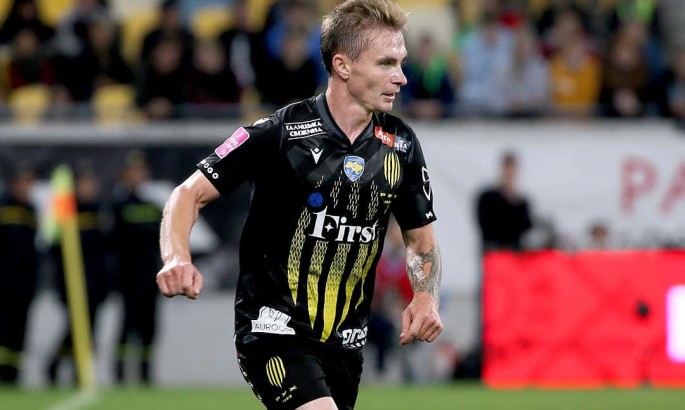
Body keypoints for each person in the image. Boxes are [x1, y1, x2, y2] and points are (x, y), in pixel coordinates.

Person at [156, 1, 443, 409]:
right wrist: (176, 258)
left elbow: (420, 240)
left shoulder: (402, 145)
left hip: (345, 342)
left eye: (401, 63)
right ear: (343, 66)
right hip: (273, 330)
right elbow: (187, 193)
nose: (401, 77)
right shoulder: (280, 134)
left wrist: (425, 296)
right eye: (385, 63)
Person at [46, 165, 113, 385]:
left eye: (91, 182)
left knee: (90, 328)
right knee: (75, 327)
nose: (88, 187)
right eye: (84, 183)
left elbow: (105, 249)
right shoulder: (66, 210)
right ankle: (55, 364)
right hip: (72, 282)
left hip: (95, 283)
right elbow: (54, 247)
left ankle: (79, 371)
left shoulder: (98, 211)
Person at [112, 151, 162, 385]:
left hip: (150, 276)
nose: (137, 176)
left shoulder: (151, 206)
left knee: (149, 327)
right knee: (127, 324)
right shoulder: (118, 205)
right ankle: (120, 373)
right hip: (128, 276)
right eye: (132, 171)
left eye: (140, 171)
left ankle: (145, 373)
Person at [0, 164, 38, 385]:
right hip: (3, 281)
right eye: (23, 182)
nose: (26, 187)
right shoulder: (4, 207)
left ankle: (12, 374)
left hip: (24, 282)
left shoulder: (31, 210)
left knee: (19, 328)